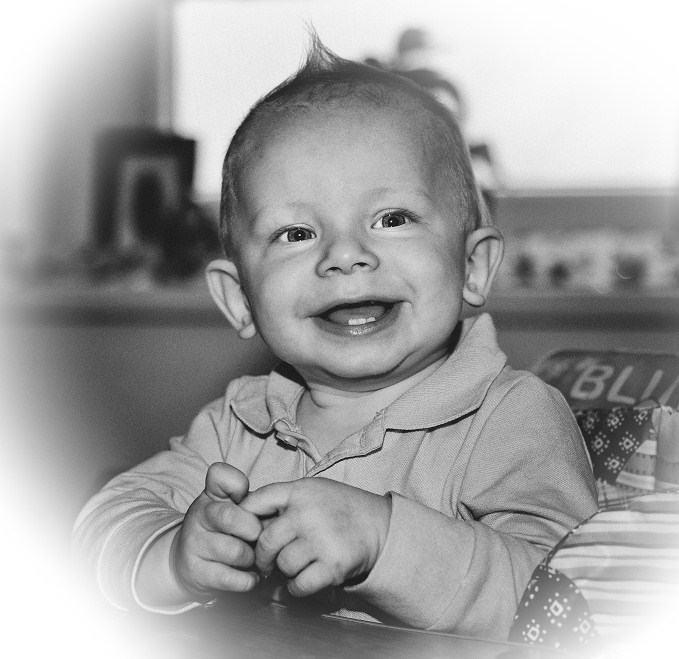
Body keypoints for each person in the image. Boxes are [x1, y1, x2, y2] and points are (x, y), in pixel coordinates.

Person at [73, 37, 597, 641]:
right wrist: (172, 559)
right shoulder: (236, 428)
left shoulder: (511, 418)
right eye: (296, 233)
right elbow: (100, 523)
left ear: (472, 268)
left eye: (392, 219)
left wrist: (384, 541)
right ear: (239, 299)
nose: (345, 254)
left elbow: (571, 598)